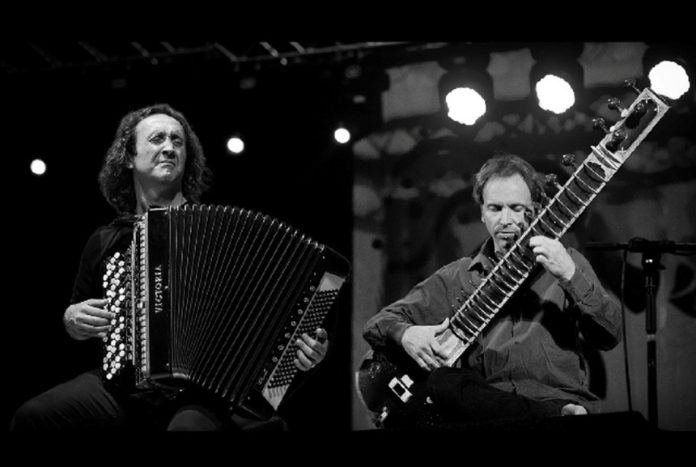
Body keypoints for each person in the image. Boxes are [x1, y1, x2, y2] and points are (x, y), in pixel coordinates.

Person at [11, 103, 330, 431]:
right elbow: (77, 313)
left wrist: (307, 350)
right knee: (32, 417)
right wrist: (72, 319)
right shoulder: (107, 239)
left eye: (177, 141)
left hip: (202, 393)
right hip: (125, 386)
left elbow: (276, 313)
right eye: (157, 139)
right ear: (129, 157)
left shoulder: (218, 232)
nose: (169, 148)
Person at [362, 153, 622, 429]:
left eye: (516, 208)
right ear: (482, 214)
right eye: (495, 208)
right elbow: (378, 324)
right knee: (442, 381)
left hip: (558, 398)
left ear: (535, 210)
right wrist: (406, 334)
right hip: (488, 411)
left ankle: (551, 413)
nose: (506, 219)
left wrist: (569, 275)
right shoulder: (458, 276)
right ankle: (549, 415)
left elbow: (609, 335)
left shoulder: (567, 262)